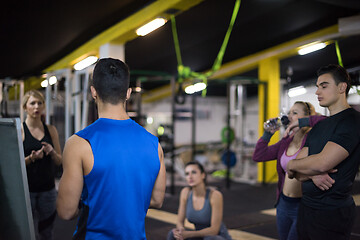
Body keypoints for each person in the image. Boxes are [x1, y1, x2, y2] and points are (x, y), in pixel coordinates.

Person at [56, 58, 166, 239]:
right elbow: (156, 200)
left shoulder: (79, 144)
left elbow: (66, 211)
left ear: (93, 92)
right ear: (128, 93)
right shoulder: (154, 144)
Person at [287, 64, 360, 240]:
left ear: (342, 87)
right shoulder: (319, 126)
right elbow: (297, 174)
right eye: (318, 86)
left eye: (324, 86)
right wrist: (310, 173)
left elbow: (323, 163)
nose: (318, 92)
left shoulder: (352, 121)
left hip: (332, 212)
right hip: (306, 208)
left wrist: (292, 164)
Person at [252, 101, 328, 240]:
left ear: (306, 117)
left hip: (303, 205)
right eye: (289, 113)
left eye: (295, 113)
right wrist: (267, 134)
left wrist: (303, 122)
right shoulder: (286, 142)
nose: (289, 116)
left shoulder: (313, 139)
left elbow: (326, 121)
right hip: (283, 204)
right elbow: (258, 155)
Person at [22, 89, 62, 240]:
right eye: (32, 103)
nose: (36, 106)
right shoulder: (20, 131)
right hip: (27, 191)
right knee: (28, 233)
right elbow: (15, 165)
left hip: (48, 190)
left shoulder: (50, 130)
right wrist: (31, 158)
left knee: (46, 232)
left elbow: (60, 161)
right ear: (25, 107)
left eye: (40, 103)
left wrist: (52, 152)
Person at [167, 161, 232, 240]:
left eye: (194, 172)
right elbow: (180, 221)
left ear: (203, 175)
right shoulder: (185, 192)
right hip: (199, 236)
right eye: (187, 174)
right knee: (172, 234)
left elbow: (214, 230)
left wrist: (189, 234)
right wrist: (180, 231)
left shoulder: (215, 195)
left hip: (216, 237)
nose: (190, 176)